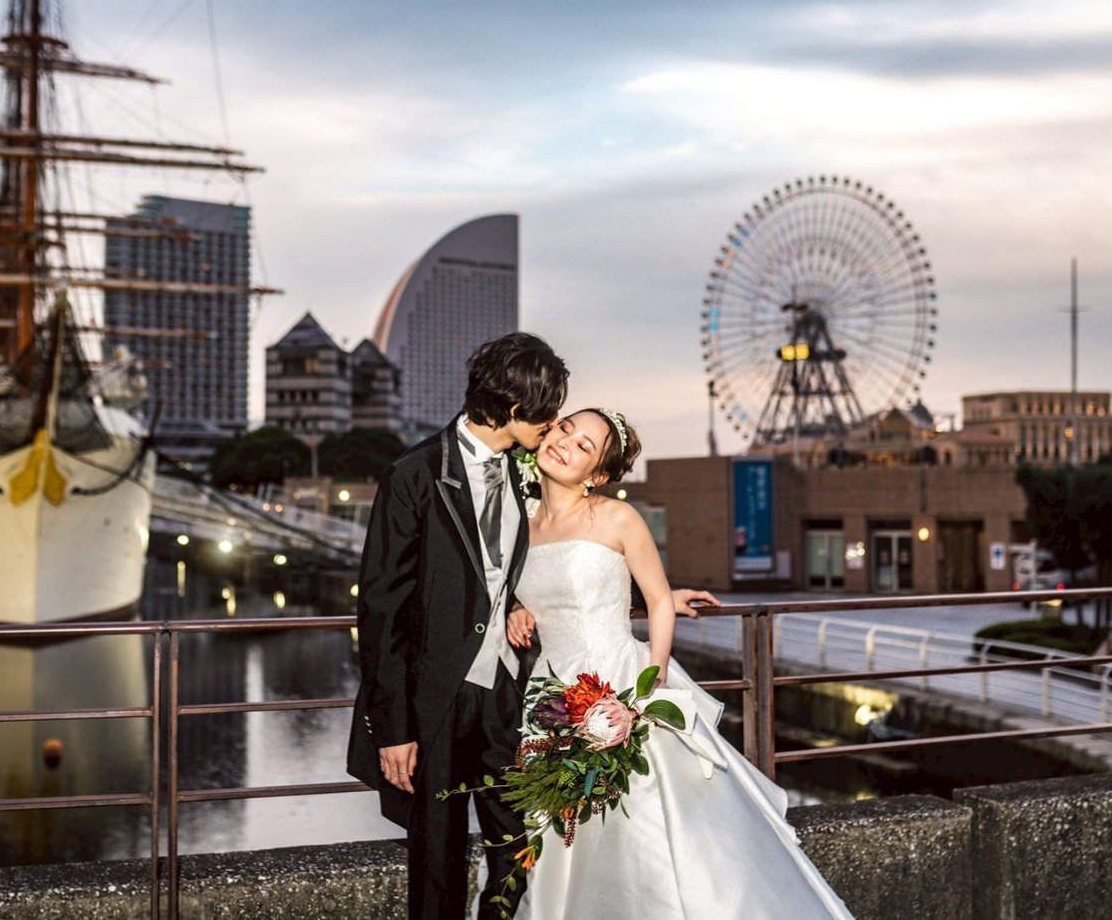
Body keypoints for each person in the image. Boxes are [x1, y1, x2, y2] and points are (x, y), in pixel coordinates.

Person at [348, 336, 718, 920]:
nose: (555, 432)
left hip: (514, 694)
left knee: (522, 843)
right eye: (551, 417)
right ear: (514, 409)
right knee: (437, 856)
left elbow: (555, 564)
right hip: (435, 696)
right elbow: (381, 609)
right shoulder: (414, 476)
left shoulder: (526, 475)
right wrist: (392, 727)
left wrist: (653, 598)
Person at [505, 408, 855, 919]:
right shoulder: (518, 522)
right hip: (550, 698)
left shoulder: (618, 518)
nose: (565, 444)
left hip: (620, 684)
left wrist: (649, 689)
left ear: (597, 475)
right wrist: (519, 608)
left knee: (647, 826)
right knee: (562, 830)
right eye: (565, 430)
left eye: (585, 446)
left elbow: (661, 600)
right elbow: (550, 594)